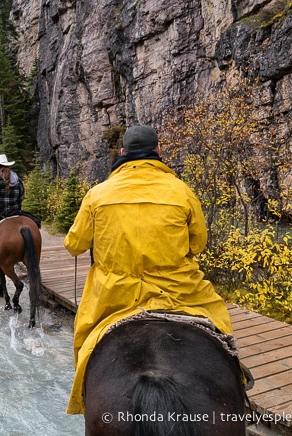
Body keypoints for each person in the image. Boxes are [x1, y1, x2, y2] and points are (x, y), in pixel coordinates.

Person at [63, 125, 235, 415]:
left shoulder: (97, 195)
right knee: (221, 324)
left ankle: (84, 396)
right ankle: (238, 376)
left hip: (114, 296)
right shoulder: (182, 191)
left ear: (122, 153)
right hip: (179, 291)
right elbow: (199, 244)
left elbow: (74, 244)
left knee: (85, 338)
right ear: (157, 151)